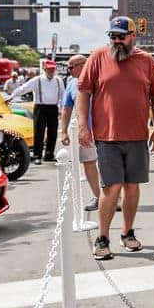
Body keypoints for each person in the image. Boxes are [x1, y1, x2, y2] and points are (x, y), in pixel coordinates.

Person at [77, 17, 154, 260]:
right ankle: (102, 237)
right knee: (111, 187)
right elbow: (83, 92)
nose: (116, 41)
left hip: (137, 135)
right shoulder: (97, 57)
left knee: (132, 187)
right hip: (107, 137)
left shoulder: (146, 61)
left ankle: (127, 232)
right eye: (112, 36)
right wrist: (84, 126)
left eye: (121, 36)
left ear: (133, 36)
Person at [61, 55, 101, 211]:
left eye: (71, 67)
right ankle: (99, 197)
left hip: (106, 130)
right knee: (89, 163)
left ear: (83, 65)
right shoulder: (71, 84)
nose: (68, 70)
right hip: (85, 132)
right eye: (68, 67)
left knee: (108, 164)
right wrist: (63, 132)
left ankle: (114, 198)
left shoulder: (100, 79)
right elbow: (66, 109)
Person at [13, 60, 65, 163]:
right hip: (40, 108)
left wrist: (61, 108)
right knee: (39, 132)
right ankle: (37, 155)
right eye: (49, 69)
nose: (51, 71)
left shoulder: (59, 80)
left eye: (53, 69)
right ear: (45, 69)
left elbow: (62, 95)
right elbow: (24, 88)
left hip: (53, 108)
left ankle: (49, 154)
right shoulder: (38, 80)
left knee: (53, 132)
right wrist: (12, 96)